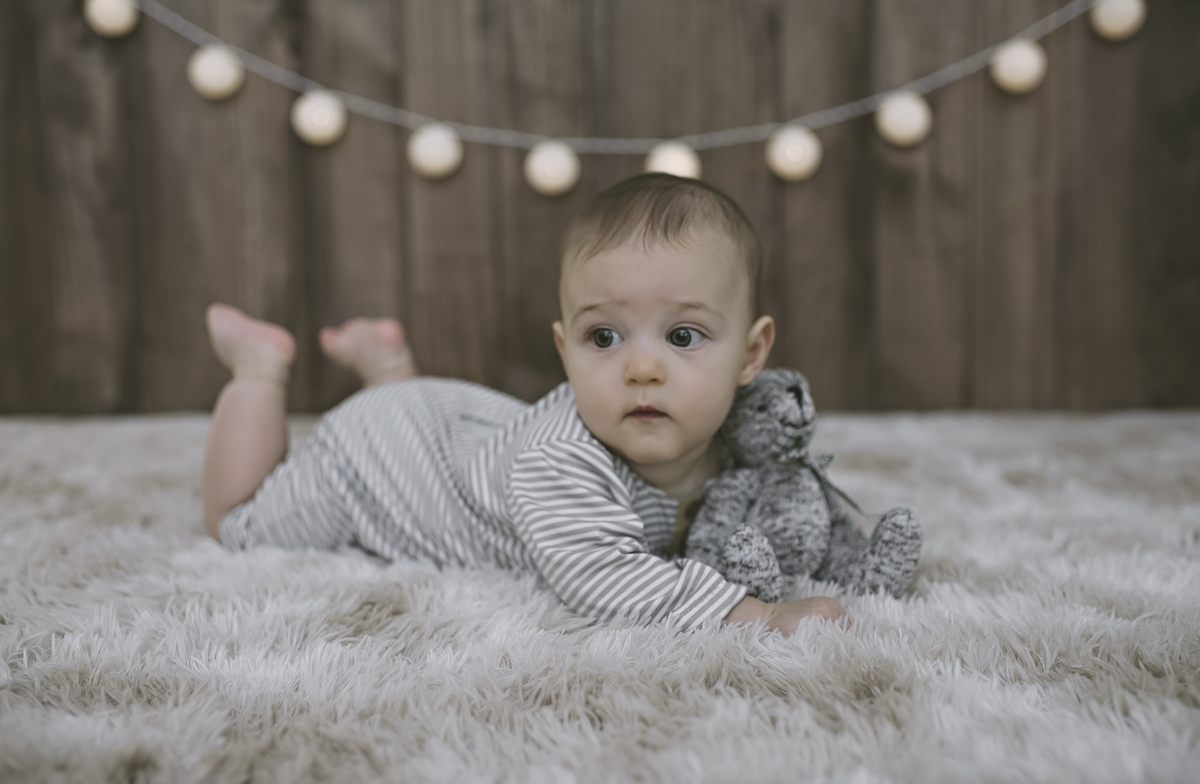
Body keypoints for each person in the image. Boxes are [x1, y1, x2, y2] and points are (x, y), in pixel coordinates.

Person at [203, 173, 846, 636]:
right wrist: (758, 616)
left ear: (752, 354)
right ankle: (258, 369)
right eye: (604, 337)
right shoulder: (557, 466)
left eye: (683, 336)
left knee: (449, 443)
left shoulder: (742, 430)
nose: (642, 368)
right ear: (565, 351)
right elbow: (606, 579)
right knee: (238, 527)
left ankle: (389, 372)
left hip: (443, 423)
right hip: (370, 459)